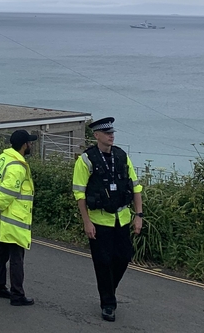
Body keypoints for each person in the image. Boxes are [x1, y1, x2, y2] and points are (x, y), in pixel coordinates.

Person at [73, 117, 144, 322]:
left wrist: (138, 215)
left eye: (112, 133)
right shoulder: (86, 160)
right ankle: (108, 304)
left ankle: (108, 290)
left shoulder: (122, 156)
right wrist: (86, 221)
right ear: (96, 136)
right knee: (103, 263)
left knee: (123, 257)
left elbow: (136, 187)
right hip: (99, 221)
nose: (111, 136)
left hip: (122, 219)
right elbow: (80, 194)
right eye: (107, 133)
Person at [0, 129, 37, 306]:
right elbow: (9, 192)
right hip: (13, 217)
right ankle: (17, 294)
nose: (31, 145)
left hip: (2, 217)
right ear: (24, 145)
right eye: (29, 143)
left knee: (1, 252)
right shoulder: (17, 166)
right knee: (17, 257)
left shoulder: (2, 159)